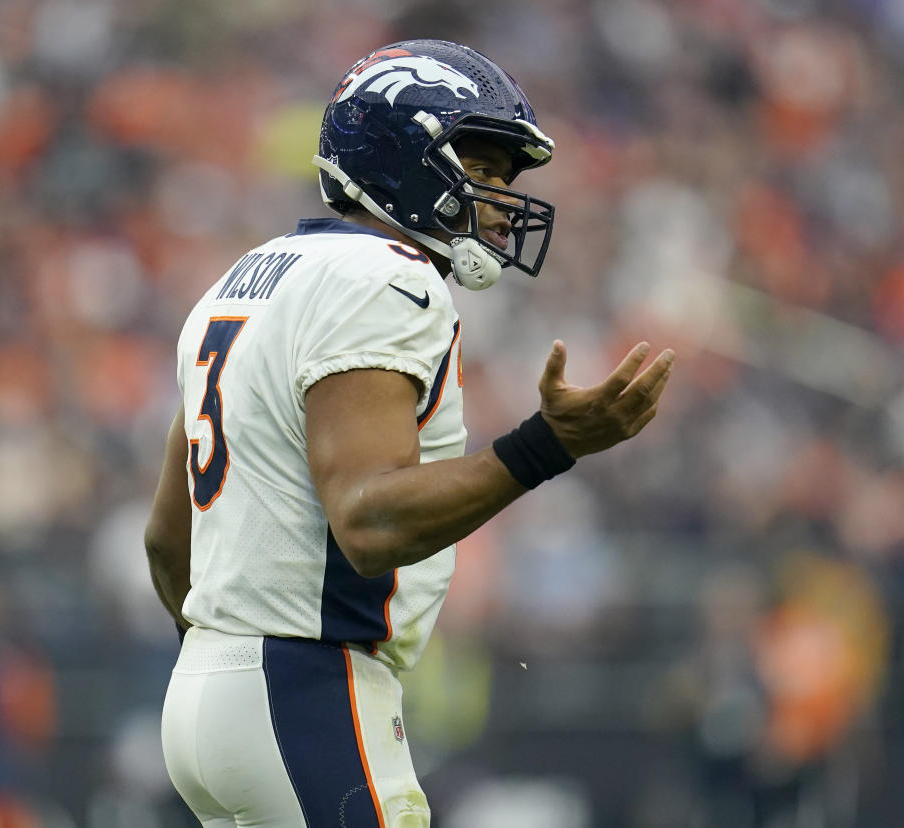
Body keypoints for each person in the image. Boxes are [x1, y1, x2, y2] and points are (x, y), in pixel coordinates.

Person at [144, 38, 674, 827]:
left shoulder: (244, 277)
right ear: (402, 153)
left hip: (204, 696)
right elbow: (367, 520)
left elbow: (166, 541)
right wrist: (548, 446)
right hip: (305, 691)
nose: (499, 198)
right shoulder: (384, 276)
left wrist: (228, 659)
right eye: (483, 169)